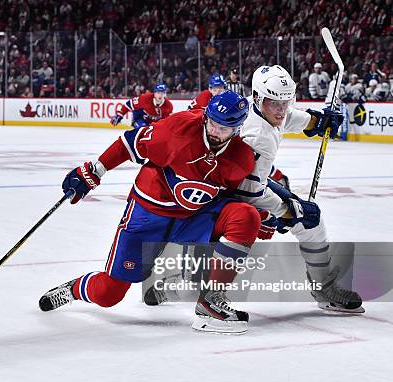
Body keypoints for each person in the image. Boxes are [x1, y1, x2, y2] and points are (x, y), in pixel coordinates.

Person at [40, 91, 272, 334]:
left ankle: (209, 303)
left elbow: (239, 193)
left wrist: (265, 214)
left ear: (237, 128)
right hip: (148, 214)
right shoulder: (176, 130)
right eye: (212, 123)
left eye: (224, 128)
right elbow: (129, 143)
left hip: (192, 218)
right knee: (109, 294)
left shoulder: (241, 157)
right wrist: (96, 170)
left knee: (246, 216)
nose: (214, 131)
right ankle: (75, 289)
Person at [146, 66, 364, 315]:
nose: (281, 109)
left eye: (285, 101)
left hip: (242, 184)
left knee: (311, 223)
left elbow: (289, 117)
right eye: (275, 103)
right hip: (215, 195)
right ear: (259, 99)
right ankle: (171, 287)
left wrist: (317, 120)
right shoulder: (258, 136)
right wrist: (285, 212)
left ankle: (324, 287)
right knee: (194, 288)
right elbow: (248, 193)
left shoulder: (257, 105)